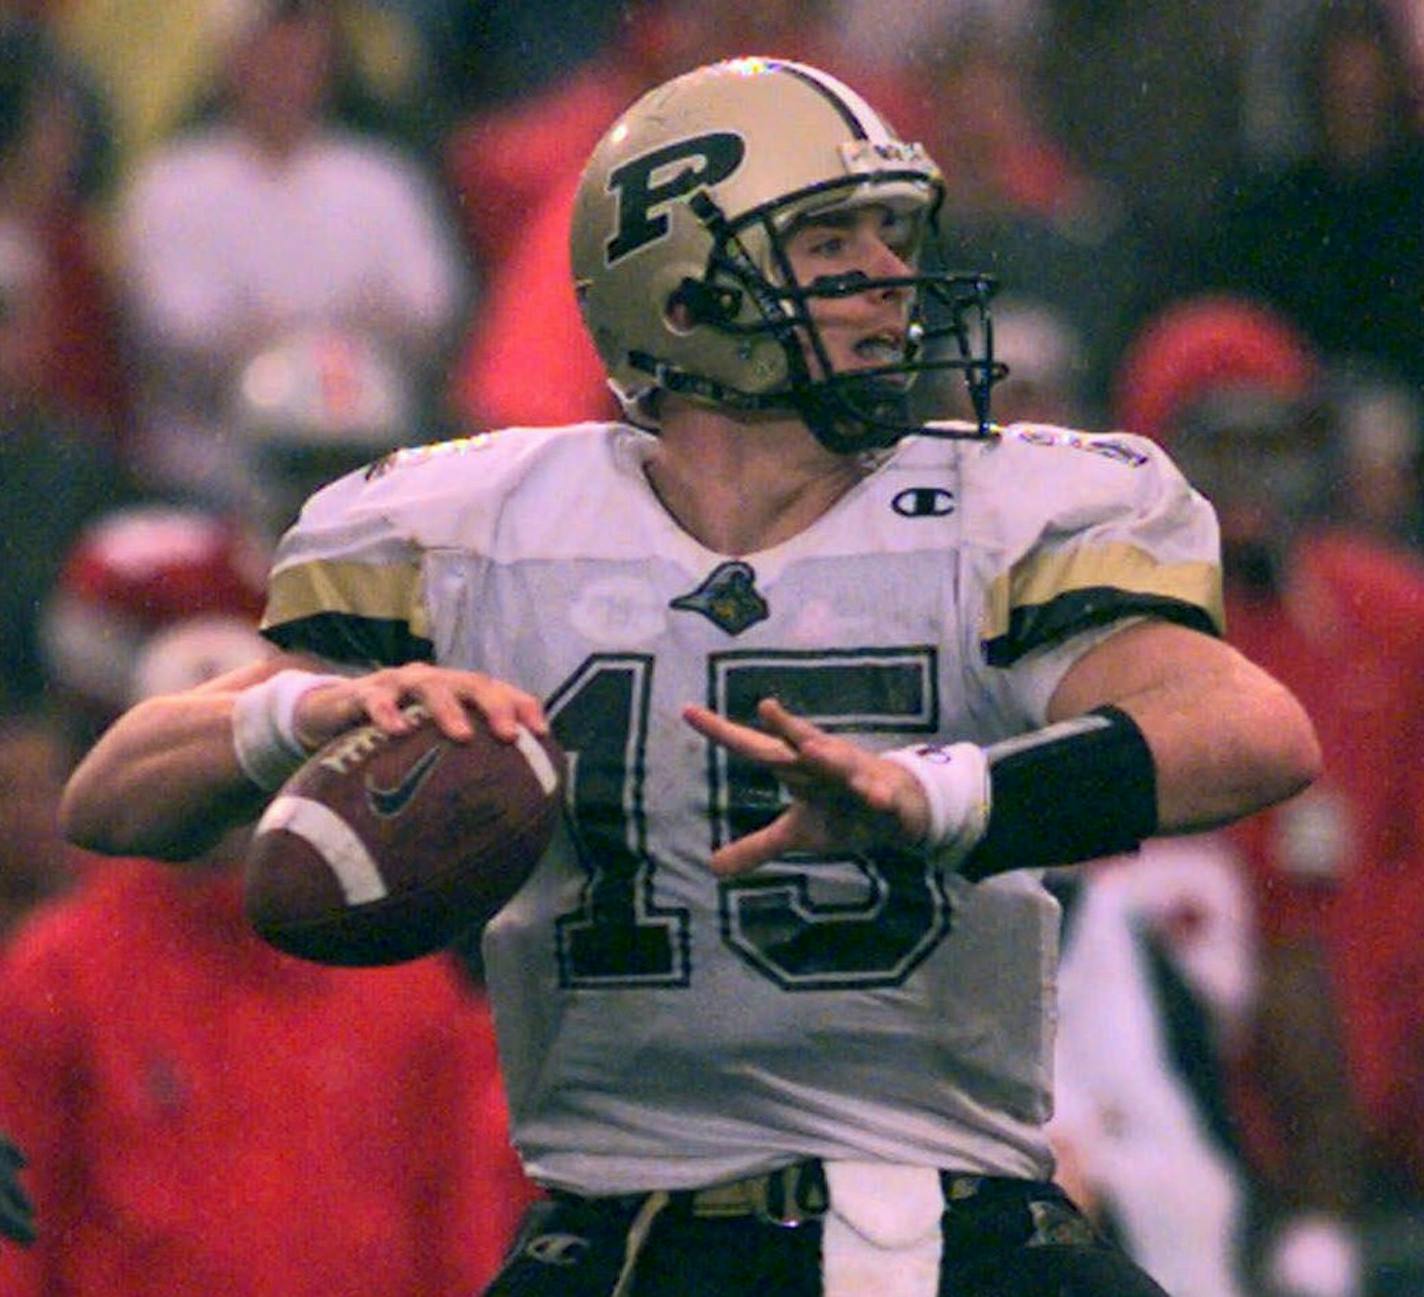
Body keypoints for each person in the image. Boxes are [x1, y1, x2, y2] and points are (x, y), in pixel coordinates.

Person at [59, 57, 1321, 1297]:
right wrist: (315, 710)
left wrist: (939, 799)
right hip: (616, 1228)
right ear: (679, 295)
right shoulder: (474, 528)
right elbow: (110, 800)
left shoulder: (999, 509)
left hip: (948, 1210)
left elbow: (1249, 729)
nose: (890, 279)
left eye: (892, 235)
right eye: (833, 242)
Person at [1, 606, 535, 1296]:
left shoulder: (404, 973)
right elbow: (22, 1231)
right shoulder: (62, 964)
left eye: (248, 766)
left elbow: (457, 1220)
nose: (230, 796)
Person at [1113, 293, 1424, 1297]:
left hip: (1379, 1109)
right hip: (1164, 1120)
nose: (1247, 479)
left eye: (1272, 441)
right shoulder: (1106, 632)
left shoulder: (1387, 616)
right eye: (1219, 444)